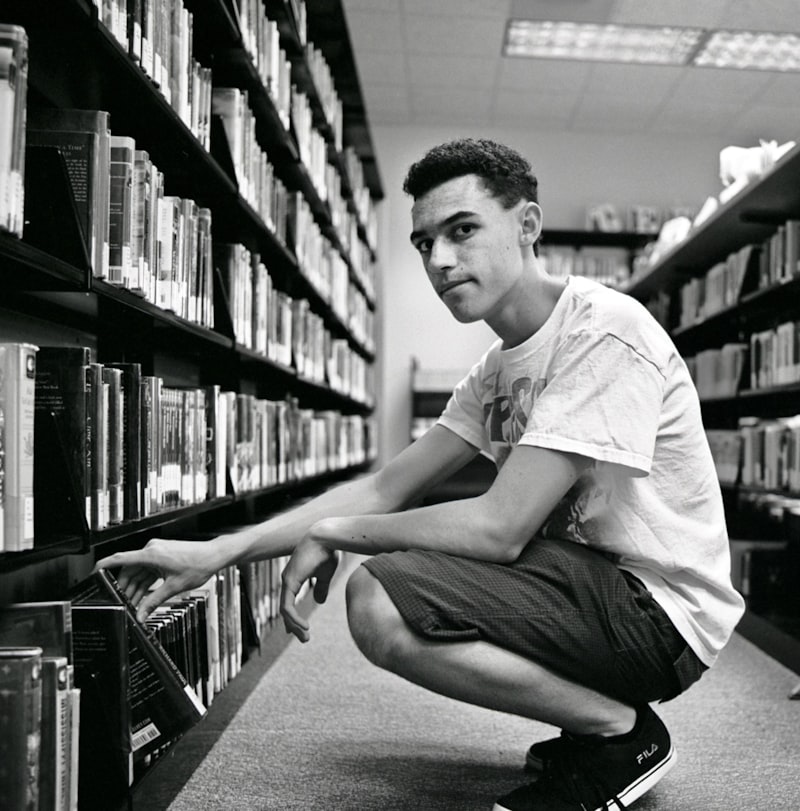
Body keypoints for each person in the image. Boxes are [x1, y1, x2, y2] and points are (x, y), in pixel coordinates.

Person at [98, 138, 745, 810]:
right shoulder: (496, 370)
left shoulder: (604, 331)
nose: (439, 260)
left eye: (462, 231)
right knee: (391, 580)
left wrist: (341, 531)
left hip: (659, 613)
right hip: (589, 586)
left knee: (379, 597)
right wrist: (219, 551)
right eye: (424, 242)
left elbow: (499, 527)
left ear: (527, 225)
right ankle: (598, 722)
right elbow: (385, 486)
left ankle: (620, 733)